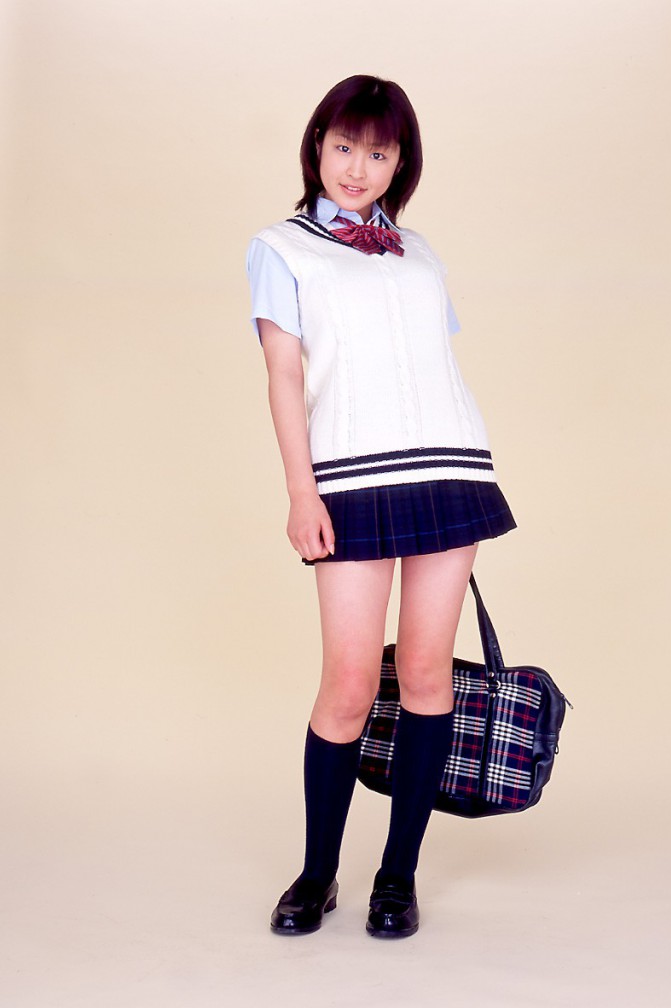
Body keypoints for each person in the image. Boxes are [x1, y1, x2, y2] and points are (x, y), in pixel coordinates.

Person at [245, 75, 516, 939]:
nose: (357, 167)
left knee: (429, 674)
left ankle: (397, 877)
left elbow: (432, 363)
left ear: (401, 162)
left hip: (449, 466)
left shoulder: (419, 252)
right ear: (316, 147)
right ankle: (316, 874)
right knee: (351, 684)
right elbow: (284, 375)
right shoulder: (281, 248)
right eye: (343, 147)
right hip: (350, 478)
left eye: (377, 152)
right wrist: (302, 492)